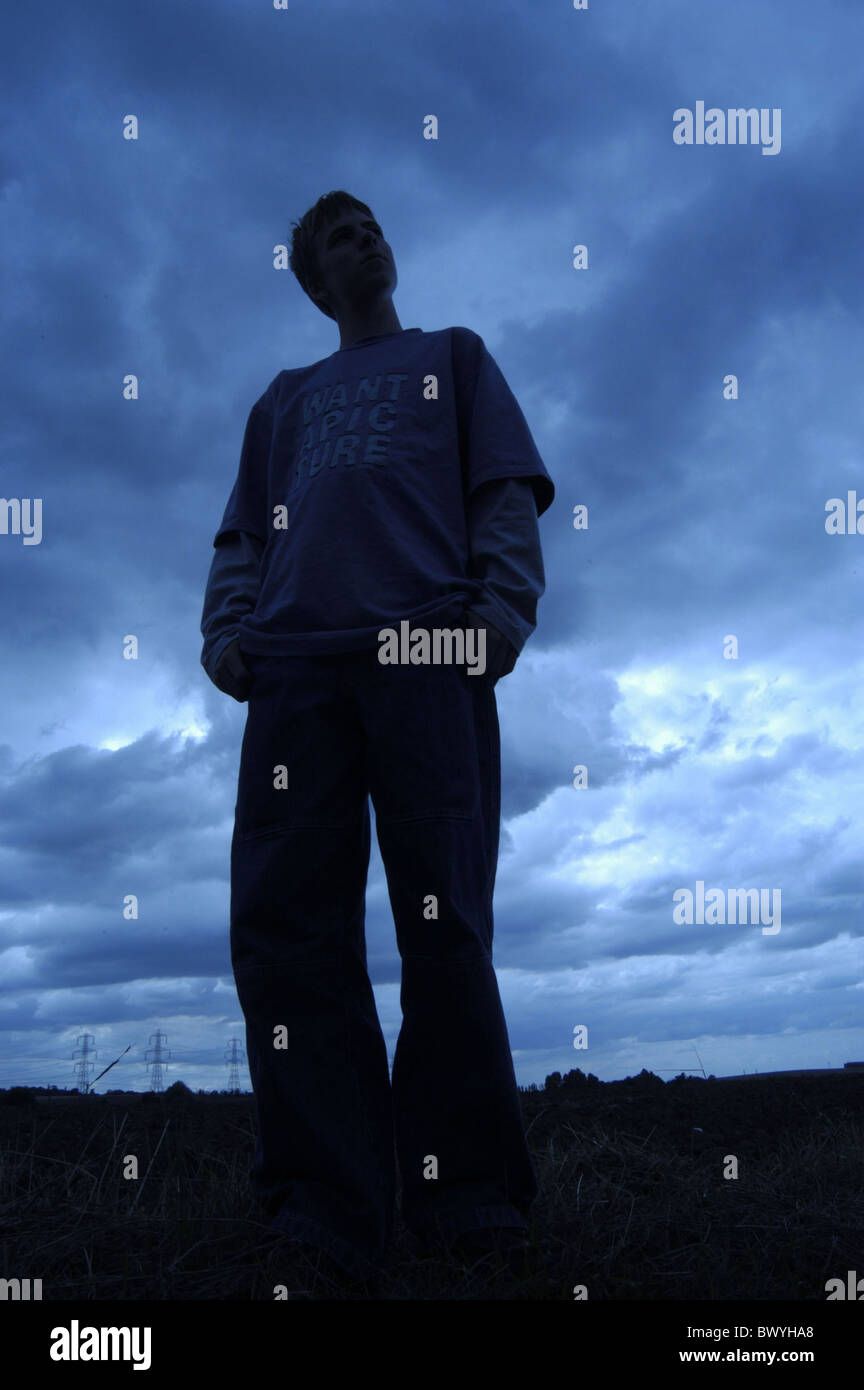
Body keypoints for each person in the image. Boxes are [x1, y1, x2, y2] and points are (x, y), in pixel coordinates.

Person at [200, 190, 555, 1284]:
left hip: (427, 648)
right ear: (313, 282)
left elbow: (502, 492)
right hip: (297, 667)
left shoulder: (453, 355)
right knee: (287, 931)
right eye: (337, 241)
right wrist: (228, 630)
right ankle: (323, 1208)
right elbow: (243, 530)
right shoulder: (286, 398)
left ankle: (466, 1198)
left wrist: (501, 612)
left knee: (443, 925)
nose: (364, 244)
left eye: (371, 230)